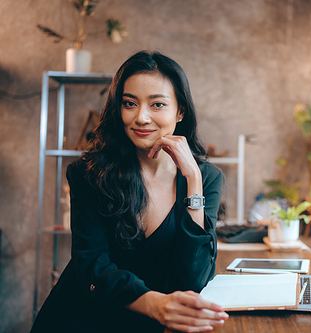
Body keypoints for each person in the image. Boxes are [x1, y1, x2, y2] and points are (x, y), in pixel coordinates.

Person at [31, 51, 228, 333]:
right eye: (129, 104)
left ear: (180, 111)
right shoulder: (88, 173)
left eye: (157, 104)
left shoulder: (205, 179)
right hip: (81, 319)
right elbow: (93, 265)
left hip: (153, 324)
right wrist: (155, 305)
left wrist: (192, 179)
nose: (141, 117)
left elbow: (193, 280)